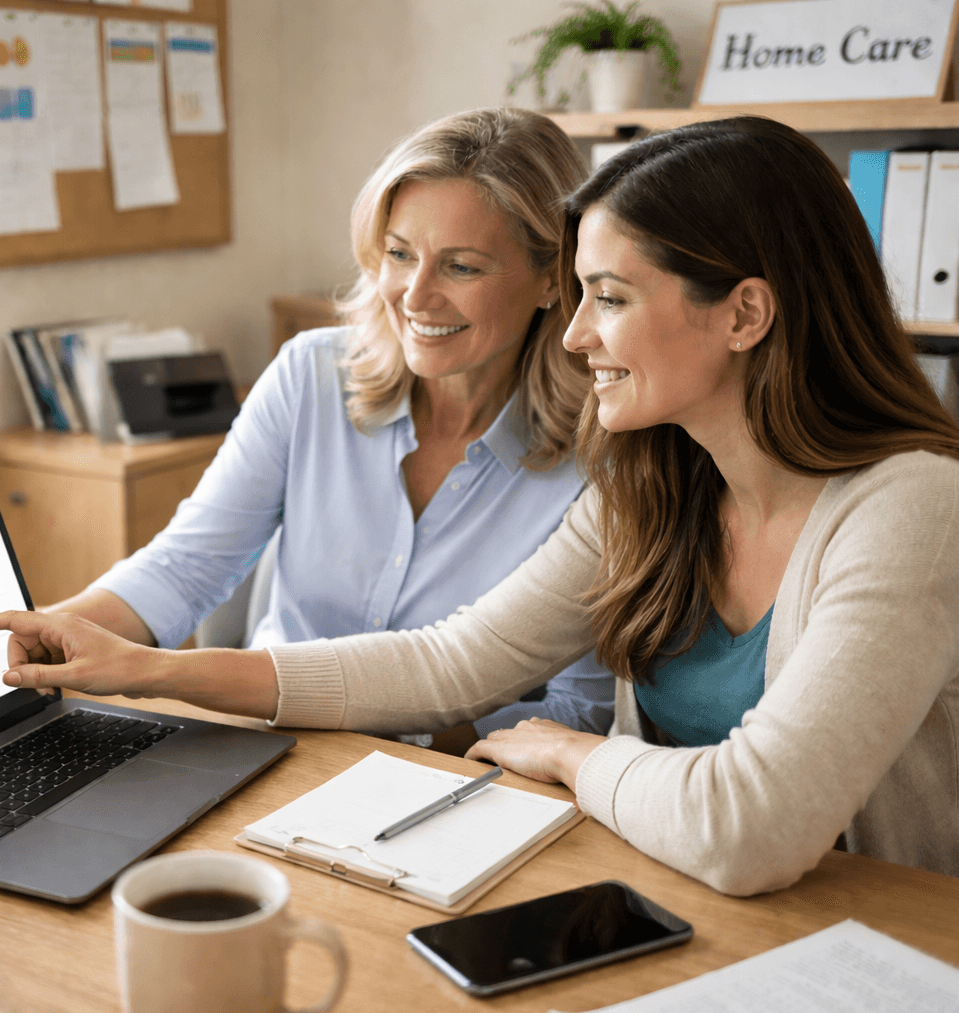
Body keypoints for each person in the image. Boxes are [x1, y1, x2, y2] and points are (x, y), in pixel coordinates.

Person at [0, 116, 959, 896]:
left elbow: (753, 826)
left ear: (745, 313)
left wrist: (566, 754)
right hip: (681, 896)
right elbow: (445, 660)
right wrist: (149, 666)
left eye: (609, 297)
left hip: (897, 944)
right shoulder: (663, 482)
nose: (575, 332)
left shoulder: (915, 509)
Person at [36, 107, 616, 739]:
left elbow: (577, 710)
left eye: (462, 266)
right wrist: (43, 638)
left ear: (552, 279)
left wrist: (393, 731)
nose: (416, 296)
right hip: (262, 744)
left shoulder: (603, 454)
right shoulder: (312, 375)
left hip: (448, 779)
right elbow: (184, 568)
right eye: (399, 254)